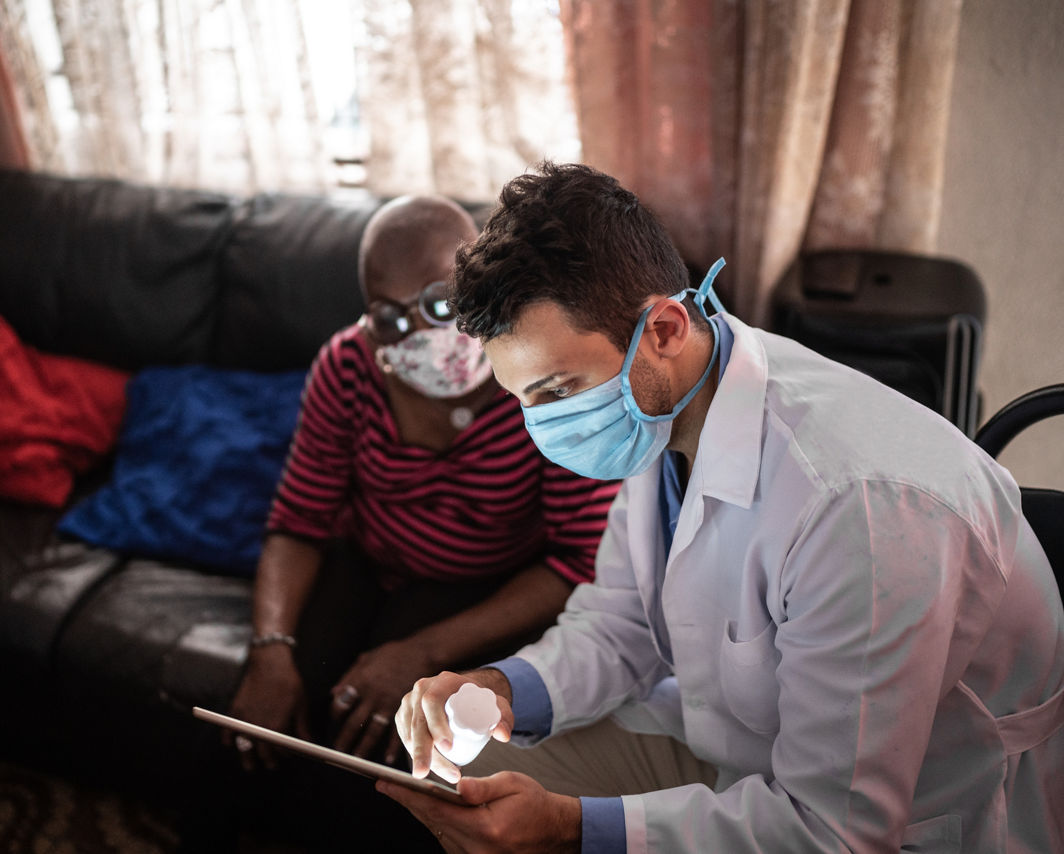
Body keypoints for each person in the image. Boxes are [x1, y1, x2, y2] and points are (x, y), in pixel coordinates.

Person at [381, 162, 1064, 853]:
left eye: (558, 391)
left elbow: (833, 830)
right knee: (465, 782)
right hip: (741, 744)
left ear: (666, 329)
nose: (545, 427)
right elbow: (621, 625)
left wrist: (570, 829)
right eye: (523, 398)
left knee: (528, 823)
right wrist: (496, 689)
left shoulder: (856, 507)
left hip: (926, 815)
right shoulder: (656, 405)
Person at [223, 193, 620, 846]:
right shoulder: (347, 366)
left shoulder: (538, 376)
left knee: (386, 736)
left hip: (484, 580)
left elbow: (576, 563)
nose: (418, 334)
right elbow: (298, 520)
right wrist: (270, 648)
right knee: (269, 723)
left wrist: (422, 650)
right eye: (389, 316)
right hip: (368, 559)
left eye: (439, 303)